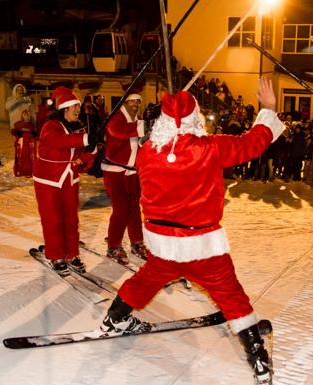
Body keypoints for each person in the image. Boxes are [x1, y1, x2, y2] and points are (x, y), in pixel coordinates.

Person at [99, 77, 283, 385]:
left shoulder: (147, 152)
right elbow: (252, 143)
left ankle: (114, 319)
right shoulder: (211, 148)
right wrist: (267, 109)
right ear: (195, 117)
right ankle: (257, 356)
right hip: (202, 247)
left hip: (162, 246)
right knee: (231, 295)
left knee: (145, 281)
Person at [32, 86, 100, 276]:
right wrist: (85, 139)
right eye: (74, 107)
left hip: (69, 177)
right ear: (64, 109)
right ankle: (55, 255)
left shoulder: (77, 127)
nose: (78, 110)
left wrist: (91, 149)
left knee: (71, 218)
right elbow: (58, 141)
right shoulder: (50, 126)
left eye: (79, 106)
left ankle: (71, 254)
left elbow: (83, 154)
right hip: (48, 179)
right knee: (53, 219)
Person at [101, 93, 147, 264]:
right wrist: (141, 127)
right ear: (124, 102)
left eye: (138, 101)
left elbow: (138, 141)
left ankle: (137, 241)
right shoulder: (115, 117)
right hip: (115, 171)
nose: (136, 104)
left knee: (134, 209)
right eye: (132, 101)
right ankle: (113, 245)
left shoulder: (137, 119)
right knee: (121, 210)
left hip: (133, 172)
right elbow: (118, 131)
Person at [6, 84, 34, 176]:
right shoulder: (11, 100)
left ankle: (26, 168)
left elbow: (32, 112)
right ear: (14, 90)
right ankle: (18, 167)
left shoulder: (27, 100)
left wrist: (33, 124)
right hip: (16, 128)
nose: (20, 91)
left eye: (21, 89)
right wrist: (19, 100)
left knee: (27, 149)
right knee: (18, 149)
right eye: (18, 89)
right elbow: (8, 107)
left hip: (26, 128)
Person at [12, 109, 37, 177]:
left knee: (28, 158)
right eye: (25, 116)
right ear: (22, 116)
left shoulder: (31, 125)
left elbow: (34, 134)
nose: (26, 118)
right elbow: (14, 132)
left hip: (29, 144)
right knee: (21, 157)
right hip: (22, 143)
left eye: (27, 116)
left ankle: (28, 171)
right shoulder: (18, 124)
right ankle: (21, 171)